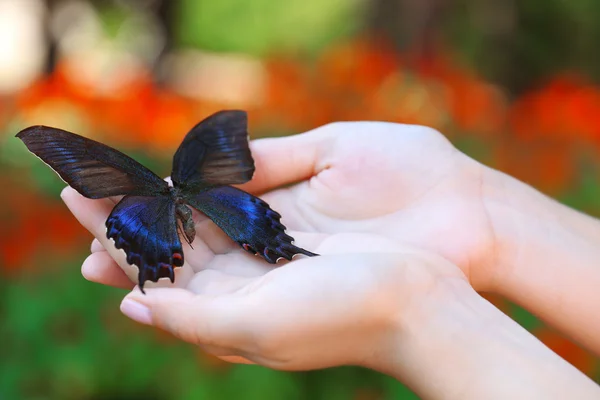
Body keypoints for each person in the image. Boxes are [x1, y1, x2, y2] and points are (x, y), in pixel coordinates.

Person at [61, 121, 600, 399]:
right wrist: (484, 214)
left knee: (224, 225)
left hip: (168, 209)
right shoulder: (200, 170)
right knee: (241, 220)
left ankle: (198, 244)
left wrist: (419, 316)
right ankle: (238, 240)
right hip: (206, 203)